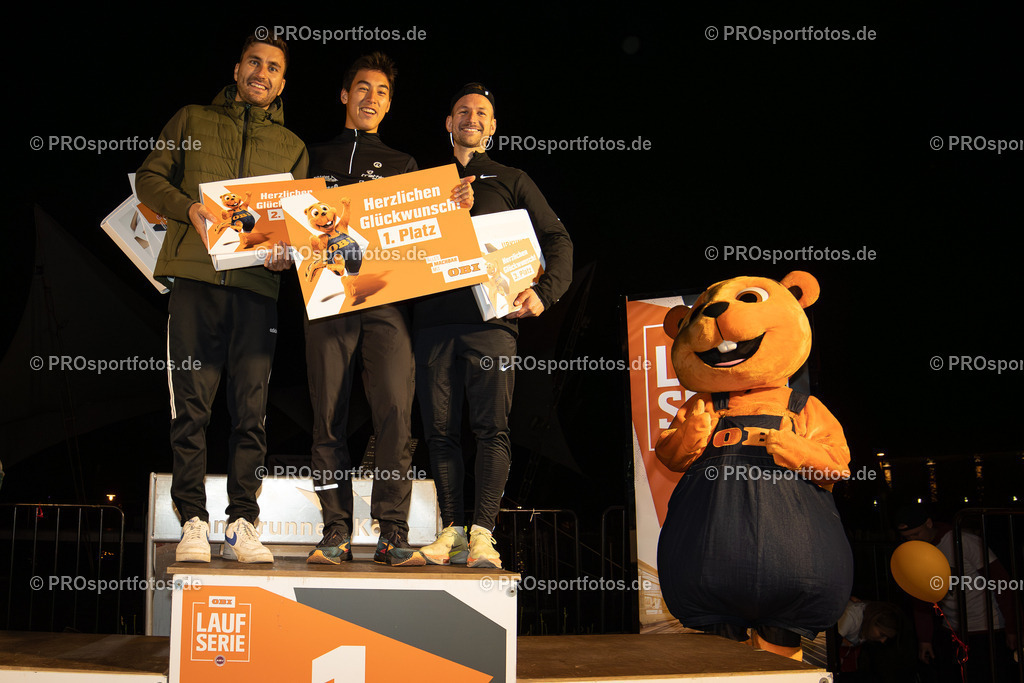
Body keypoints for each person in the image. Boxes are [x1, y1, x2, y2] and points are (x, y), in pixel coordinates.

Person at [295, 54, 474, 567]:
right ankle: (335, 531)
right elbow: (288, 223)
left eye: (382, 92)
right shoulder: (312, 155)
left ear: (389, 104)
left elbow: (430, 232)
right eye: (362, 88)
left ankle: (393, 531)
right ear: (345, 96)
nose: (371, 98)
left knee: (396, 411)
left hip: (387, 303)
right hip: (327, 301)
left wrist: (453, 206)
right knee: (327, 416)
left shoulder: (405, 165)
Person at [136, 35, 308, 564]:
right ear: (236, 70)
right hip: (194, 281)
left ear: (282, 83)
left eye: (274, 67)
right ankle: (191, 520)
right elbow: (149, 180)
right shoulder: (191, 119)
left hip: (257, 290)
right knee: (190, 408)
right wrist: (188, 209)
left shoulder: (294, 147)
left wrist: (287, 254)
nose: (262, 72)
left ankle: (242, 523)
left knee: (250, 414)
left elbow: (298, 229)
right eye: (254, 62)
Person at [409, 83, 573, 569]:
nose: (472, 118)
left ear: (493, 126)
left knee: (491, 429)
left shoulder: (511, 178)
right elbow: (393, 240)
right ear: (448, 122)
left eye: (482, 113)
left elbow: (558, 239)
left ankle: (483, 534)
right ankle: (452, 531)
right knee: (439, 432)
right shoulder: (421, 179)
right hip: (432, 325)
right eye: (462, 111)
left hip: (493, 326)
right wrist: (440, 207)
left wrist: (544, 295)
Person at [895, 503, 1019, 682]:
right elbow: (921, 598)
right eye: (906, 537)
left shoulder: (963, 541)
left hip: (988, 627)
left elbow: (1002, 582)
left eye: (916, 534)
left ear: (929, 523)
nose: (912, 541)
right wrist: (925, 639)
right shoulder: (914, 553)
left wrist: (1012, 627)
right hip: (952, 630)